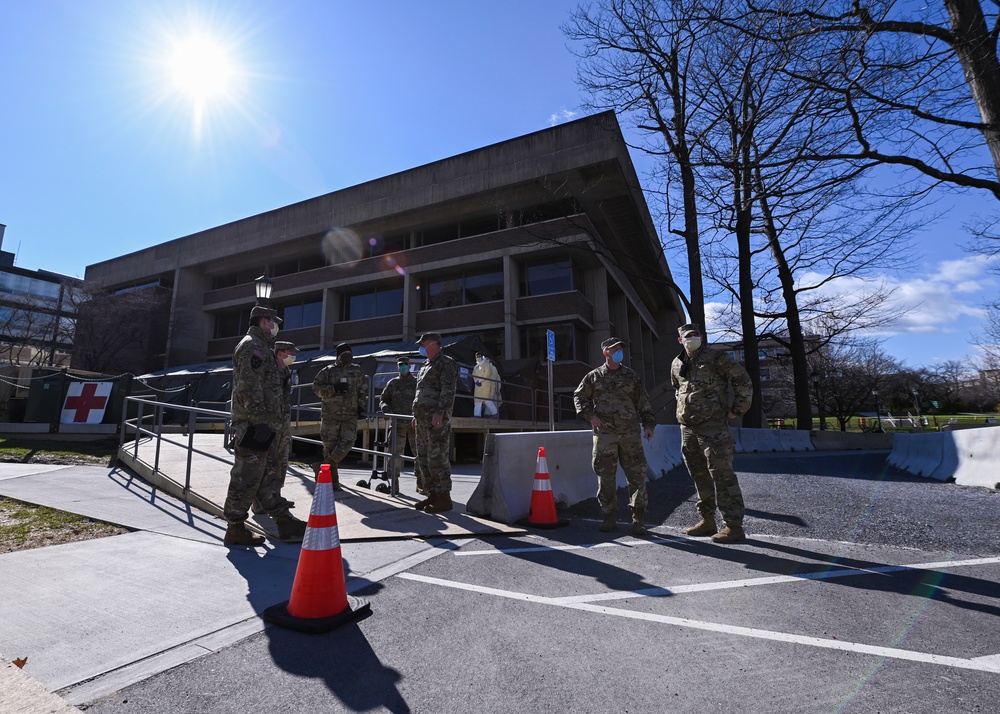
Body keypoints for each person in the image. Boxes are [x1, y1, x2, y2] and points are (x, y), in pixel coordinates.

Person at [223, 306, 306, 546]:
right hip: (254, 425)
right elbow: (248, 387)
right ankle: (235, 527)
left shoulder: (263, 348)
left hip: (265, 425)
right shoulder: (253, 346)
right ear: (263, 321)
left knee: (267, 474)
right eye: (273, 321)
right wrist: (259, 422)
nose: (276, 326)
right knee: (246, 476)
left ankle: (283, 520)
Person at [671, 323, 754, 544]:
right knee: (698, 475)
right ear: (680, 340)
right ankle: (707, 520)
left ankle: (734, 526)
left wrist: (737, 409)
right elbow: (677, 389)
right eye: (688, 336)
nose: (693, 338)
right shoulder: (677, 363)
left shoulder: (717, 358)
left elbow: (743, 381)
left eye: (696, 335)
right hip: (688, 428)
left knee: (722, 474)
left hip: (714, 426)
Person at [573, 337, 656, 536]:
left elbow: (642, 401)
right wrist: (590, 415)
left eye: (620, 348)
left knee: (636, 476)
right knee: (606, 478)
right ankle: (609, 516)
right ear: (606, 353)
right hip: (605, 435)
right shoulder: (594, 377)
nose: (619, 351)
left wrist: (649, 424)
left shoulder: (631, 376)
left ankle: (638, 519)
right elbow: (579, 396)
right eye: (615, 349)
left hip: (630, 434)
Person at [411, 333, 458, 513]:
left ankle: (444, 497)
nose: (421, 347)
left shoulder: (446, 363)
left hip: (436, 419)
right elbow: (420, 392)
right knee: (423, 457)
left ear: (433, 344)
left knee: (437, 457)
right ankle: (433, 494)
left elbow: (448, 390)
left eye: (423, 344)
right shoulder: (425, 365)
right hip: (422, 419)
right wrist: (416, 415)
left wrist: (440, 412)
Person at [312, 342, 369, 491]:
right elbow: (316, 388)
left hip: (350, 414)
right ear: (338, 354)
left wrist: (361, 405)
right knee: (330, 447)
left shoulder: (357, 370)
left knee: (348, 441)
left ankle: (322, 467)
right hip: (330, 414)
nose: (348, 355)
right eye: (345, 353)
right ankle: (332, 482)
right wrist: (333, 389)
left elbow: (363, 389)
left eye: (349, 353)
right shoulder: (328, 371)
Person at [379, 356, 419, 492]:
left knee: (419, 453)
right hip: (397, 424)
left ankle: (422, 484)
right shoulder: (392, 383)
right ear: (397, 367)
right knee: (395, 454)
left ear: (410, 366)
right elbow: (384, 399)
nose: (403, 367)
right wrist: (386, 409)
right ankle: (393, 485)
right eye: (401, 364)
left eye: (406, 364)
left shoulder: (417, 383)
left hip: (415, 425)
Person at [472, 351, 501, 417]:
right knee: (477, 401)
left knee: (487, 400)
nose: (478, 358)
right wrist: (476, 381)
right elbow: (473, 375)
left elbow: (487, 374)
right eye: (477, 357)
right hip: (478, 387)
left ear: (482, 357)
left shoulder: (486, 365)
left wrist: (480, 380)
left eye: (479, 356)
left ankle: (495, 413)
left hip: (485, 385)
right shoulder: (476, 367)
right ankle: (477, 415)